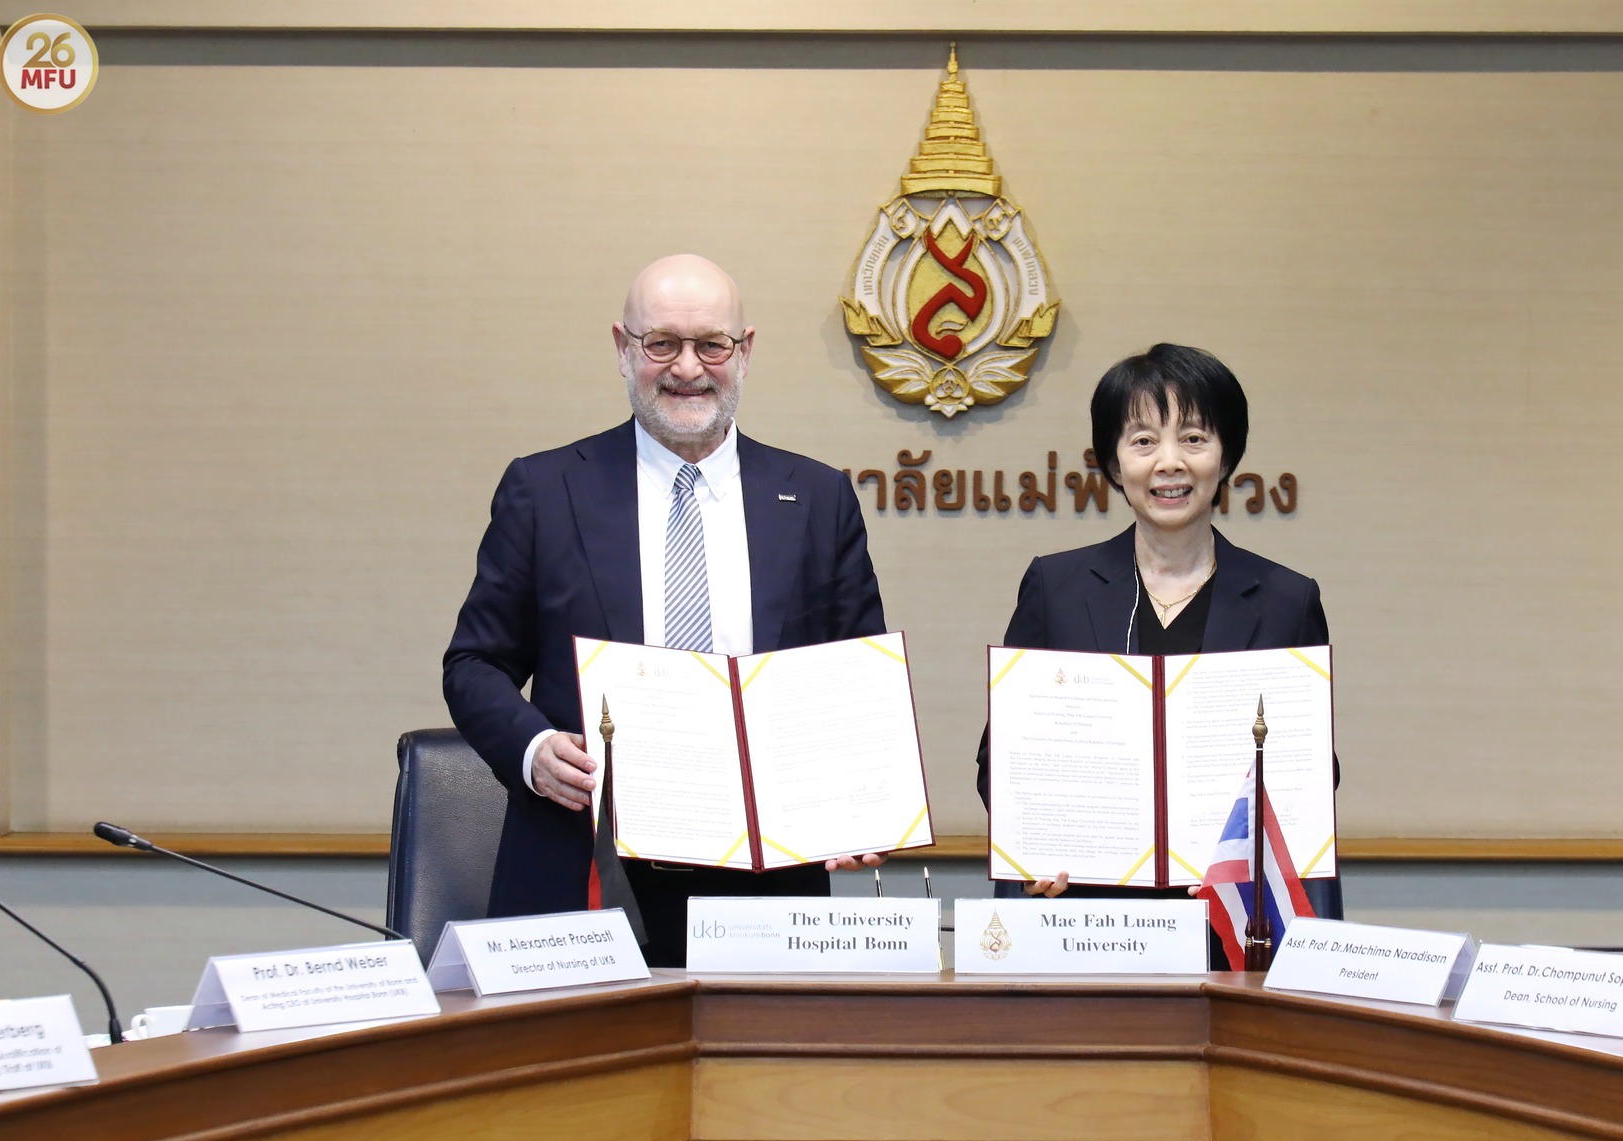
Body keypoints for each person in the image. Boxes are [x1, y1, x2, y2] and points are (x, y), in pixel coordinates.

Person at [444, 254, 886, 966]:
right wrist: (532, 750)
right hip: (581, 869)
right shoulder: (545, 489)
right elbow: (474, 664)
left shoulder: (816, 498)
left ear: (745, 352)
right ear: (623, 349)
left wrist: (861, 804)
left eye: (712, 344)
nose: (688, 368)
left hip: (766, 887)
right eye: (662, 345)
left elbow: (854, 684)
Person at [976, 342, 1341, 935]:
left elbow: (1311, 770)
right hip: (1088, 916)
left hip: (1227, 920)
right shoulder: (1057, 585)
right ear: (1115, 465)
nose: (1169, 462)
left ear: (1226, 458)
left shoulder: (1285, 599)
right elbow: (1001, 755)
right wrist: (1034, 839)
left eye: (1194, 439)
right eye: (1143, 441)